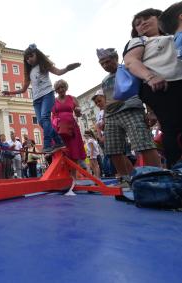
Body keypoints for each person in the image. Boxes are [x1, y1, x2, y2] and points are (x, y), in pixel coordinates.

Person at [124, 8, 182, 168]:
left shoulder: (175, 36)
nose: (142, 23)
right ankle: (177, 171)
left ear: (160, 19)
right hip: (160, 86)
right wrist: (150, 77)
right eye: (138, 23)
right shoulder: (139, 41)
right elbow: (131, 61)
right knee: (174, 130)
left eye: (147, 18)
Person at [96, 47, 160, 186]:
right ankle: (127, 179)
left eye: (108, 61)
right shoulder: (105, 80)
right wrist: (105, 118)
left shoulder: (129, 69)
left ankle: (158, 177)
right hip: (112, 115)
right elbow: (107, 100)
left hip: (131, 109)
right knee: (112, 149)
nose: (106, 65)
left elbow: (145, 90)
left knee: (144, 144)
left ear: (116, 58)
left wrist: (150, 111)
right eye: (102, 64)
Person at [2, 43, 80, 153]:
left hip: (47, 95)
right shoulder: (29, 72)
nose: (29, 59)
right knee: (41, 123)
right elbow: (24, 89)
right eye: (27, 58)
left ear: (37, 54)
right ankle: (58, 141)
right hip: (36, 99)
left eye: (31, 56)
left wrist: (67, 68)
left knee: (44, 118)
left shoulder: (44, 65)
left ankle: (47, 144)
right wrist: (10, 92)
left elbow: (58, 72)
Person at [52, 79, 86, 163]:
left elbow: (78, 115)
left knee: (73, 149)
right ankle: (65, 173)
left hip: (72, 127)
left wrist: (78, 112)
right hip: (59, 128)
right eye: (58, 88)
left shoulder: (73, 98)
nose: (61, 89)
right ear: (56, 90)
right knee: (61, 150)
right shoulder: (53, 101)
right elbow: (53, 116)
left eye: (62, 87)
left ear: (66, 87)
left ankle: (74, 174)